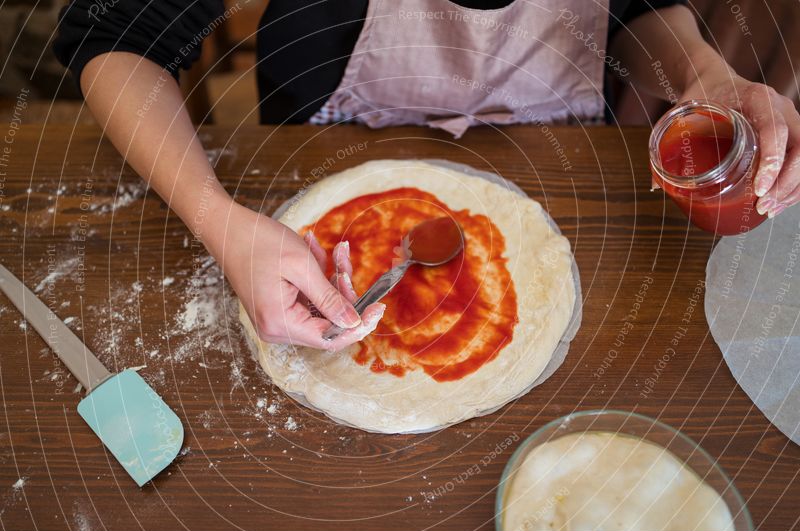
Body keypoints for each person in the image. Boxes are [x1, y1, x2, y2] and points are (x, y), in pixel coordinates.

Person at [54, 0, 800, 351]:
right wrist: (217, 218)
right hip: (320, 162)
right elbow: (116, 37)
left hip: (570, 180)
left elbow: (639, 11)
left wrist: (705, 73)